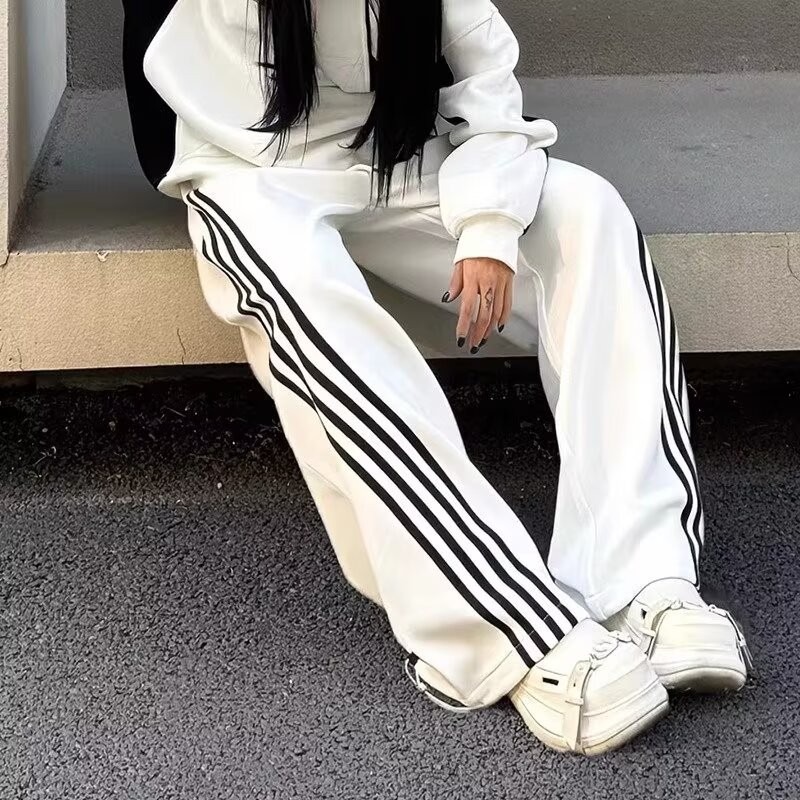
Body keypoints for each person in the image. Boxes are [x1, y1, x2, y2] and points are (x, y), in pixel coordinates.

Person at [121, 0, 752, 755]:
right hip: (249, 170)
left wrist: (488, 223)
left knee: (587, 214)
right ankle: (514, 634)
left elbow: (486, 77)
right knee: (316, 309)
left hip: (403, 153)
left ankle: (643, 581)